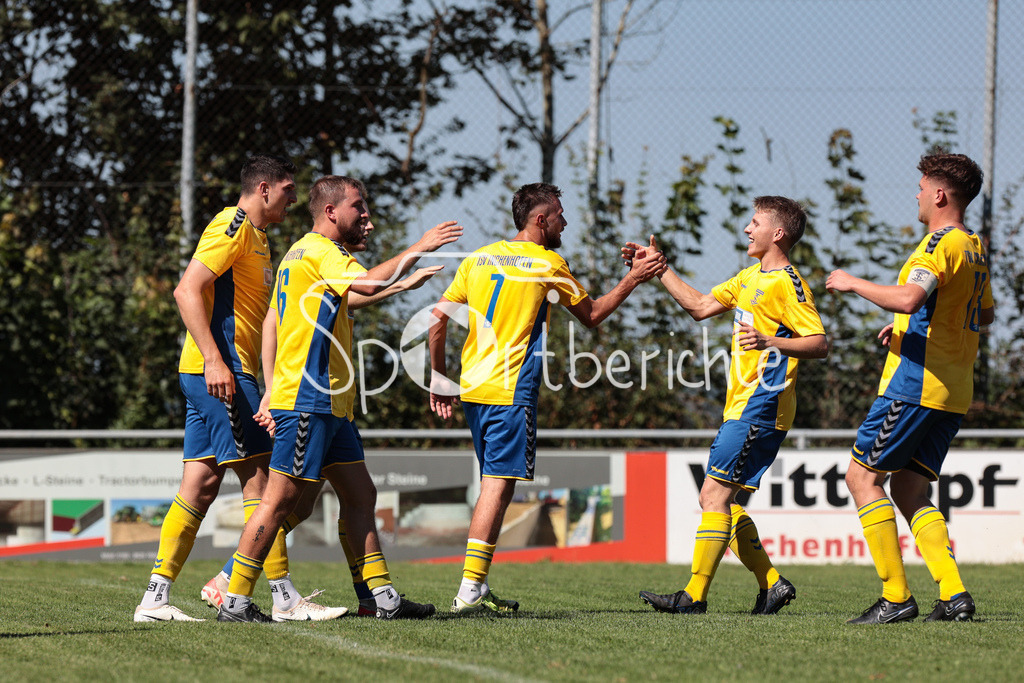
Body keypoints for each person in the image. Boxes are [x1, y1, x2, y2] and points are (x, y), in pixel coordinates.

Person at [217, 175, 461, 622]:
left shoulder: (300, 253)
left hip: (329, 404)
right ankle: (233, 599)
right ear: (331, 212)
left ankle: (380, 599)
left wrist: (271, 386)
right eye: (358, 207)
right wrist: (419, 247)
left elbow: (286, 316)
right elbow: (363, 285)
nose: (365, 216)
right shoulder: (324, 252)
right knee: (280, 502)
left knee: (360, 493)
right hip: (308, 401)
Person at [428, 182, 667, 615]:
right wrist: (634, 277)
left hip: (474, 389)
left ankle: (478, 588)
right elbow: (592, 315)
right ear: (540, 220)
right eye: (559, 214)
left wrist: (438, 378)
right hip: (510, 389)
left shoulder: (479, 258)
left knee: (493, 484)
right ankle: (468, 591)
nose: (565, 221)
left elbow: (436, 321)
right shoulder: (547, 263)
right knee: (498, 486)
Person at [135, 153, 318, 622]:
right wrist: (216, 361)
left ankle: (155, 600)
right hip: (220, 373)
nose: (294, 198)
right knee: (263, 479)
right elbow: (186, 290)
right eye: (287, 189)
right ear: (263, 189)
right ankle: (282, 598)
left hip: (218, 373)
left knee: (199, 485)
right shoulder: (232, 225)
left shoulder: (259, 237)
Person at [634, 196, 828, 615]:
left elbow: (819, 342)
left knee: (712, 497)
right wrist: (660, 268)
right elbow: (700, 307)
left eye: (755, 222)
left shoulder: (787, 284)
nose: (746, 229)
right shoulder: (750, 277)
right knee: (723, 502)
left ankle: (694, 596)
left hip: (761, 406)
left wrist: (771, 341)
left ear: (777, 233)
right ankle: (772, 584)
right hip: (742, 407)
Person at [826, 153, 992, 624]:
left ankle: (895, 597)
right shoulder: (975, 248)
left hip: (915, 387)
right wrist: (908, 326)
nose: (916, 195)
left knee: (861, 479)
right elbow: (981, 315)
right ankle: (954, 594)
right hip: (953, 389)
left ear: (939, 195)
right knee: (910, 490)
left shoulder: (938, 243)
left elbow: (910, 295)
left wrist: (851, 282)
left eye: (921, 187)